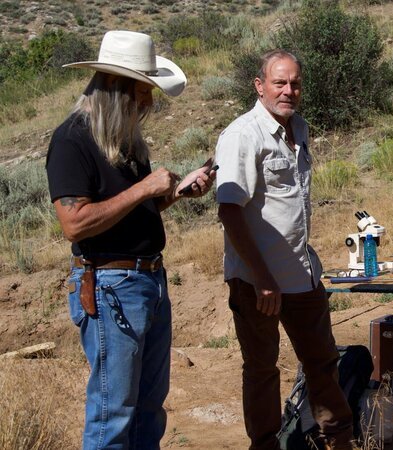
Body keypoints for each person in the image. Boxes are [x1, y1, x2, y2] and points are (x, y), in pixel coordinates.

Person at [46, 30, 216, 448]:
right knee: (113, 413)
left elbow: (134, 213)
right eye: (144, 92)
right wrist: (144, 188)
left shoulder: (123, 141)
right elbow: (76, 223)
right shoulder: (72, 140)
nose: (150, 103)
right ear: (119, 89)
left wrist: (175, 192)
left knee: (148, 409)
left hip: (147, 283)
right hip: (110, 287)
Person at [214, 50, 353, 450]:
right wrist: (262, 277)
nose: (288, 90)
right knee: (261, 371)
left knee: (323, 363)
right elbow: (230, 211)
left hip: (301, 272)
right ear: (260, 86)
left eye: (294, 83)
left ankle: (338, 441)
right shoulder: (243, 134)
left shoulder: (300, 128)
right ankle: (265, 445)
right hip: (258, 280)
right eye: (279, 82)